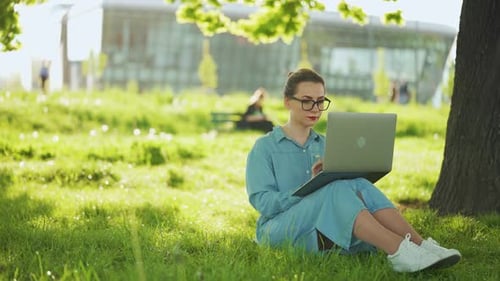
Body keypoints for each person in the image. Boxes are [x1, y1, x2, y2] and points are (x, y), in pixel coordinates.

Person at [245, 68, 461, 273]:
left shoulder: (328, 145)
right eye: (307, 101)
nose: (316, 109)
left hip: (321, 223)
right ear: (287, 102)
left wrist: (331, 178)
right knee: (335, 189)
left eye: (321, 102)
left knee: (358, 183)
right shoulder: (265, 147)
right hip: (277, 228)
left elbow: (347, 191)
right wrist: (310, 190)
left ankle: (420, 244)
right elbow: (263, 203)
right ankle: (398, 250)